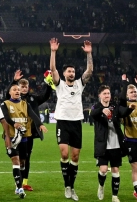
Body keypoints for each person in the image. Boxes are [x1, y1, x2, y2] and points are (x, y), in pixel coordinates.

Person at [49, 38, 93, 201]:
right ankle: (67, 186)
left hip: (76, 123)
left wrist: (89, 54)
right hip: (62, 122)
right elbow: (52, 69)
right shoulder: (59, 84)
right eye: (69, 71)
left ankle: (70, 187)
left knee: (75, 157)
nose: (71, 73)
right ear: (64, 73)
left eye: (73, 72)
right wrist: (53, 51)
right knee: (64, 153)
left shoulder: (79, 84)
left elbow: (89, 72)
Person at [1, 83, 48, 199]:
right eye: (14, 90)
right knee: (16, 161)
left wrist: (40, 124)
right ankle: (19, 187)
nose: (17, 91)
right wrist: (14, 124)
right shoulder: (5, 104)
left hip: (25, 137)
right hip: (11, 137)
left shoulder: (25, 104)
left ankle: (19, 183)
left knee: (22, 162)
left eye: (18, 90)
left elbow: (33, 115)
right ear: (10, 92)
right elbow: (6, 117)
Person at [7, 70, 52, 191]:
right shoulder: (13, 99)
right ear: (17, 88)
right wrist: (14, 81)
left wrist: (48, 84)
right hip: (15, 133)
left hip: (29, 133)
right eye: (22, 86)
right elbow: (7, 94)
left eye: (26, 86)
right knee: (17, 157)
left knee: (26, 157)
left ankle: (24, 182)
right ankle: (18, 182)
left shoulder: (33, 99)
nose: (24, 88)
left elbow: (46, 96)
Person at [91, 85, 135, 202]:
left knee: (115, 170)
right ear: (100, 95)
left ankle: (115, 196)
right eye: (105, 94)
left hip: (116, 144)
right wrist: (102, 110)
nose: (107, 96)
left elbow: (123, 112)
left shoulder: (114, 107)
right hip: (102, 145)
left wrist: (130, 108)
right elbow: (92, 114)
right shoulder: (96, 107)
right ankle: (101, 186)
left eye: (108, 93)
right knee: (104, 170)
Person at [120, 74, 137, 201]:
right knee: (136, 167)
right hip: (131, 141)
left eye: (136, 91)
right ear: (127, 94)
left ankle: (136, 190)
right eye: (131, 92)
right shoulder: (125, 106)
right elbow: (121, 100)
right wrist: (124, 85)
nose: (134, 93)